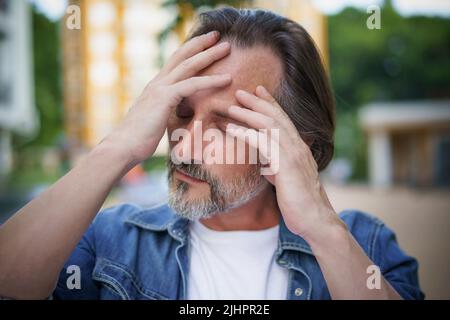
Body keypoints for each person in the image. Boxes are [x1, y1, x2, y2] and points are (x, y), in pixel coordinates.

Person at [0, 8, 423, 300]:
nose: (186, 144)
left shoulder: (363, 246)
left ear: (300, 145)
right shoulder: (110, 241)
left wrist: (321, 226)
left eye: (225, 124)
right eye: (180, 113)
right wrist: (120, 145)